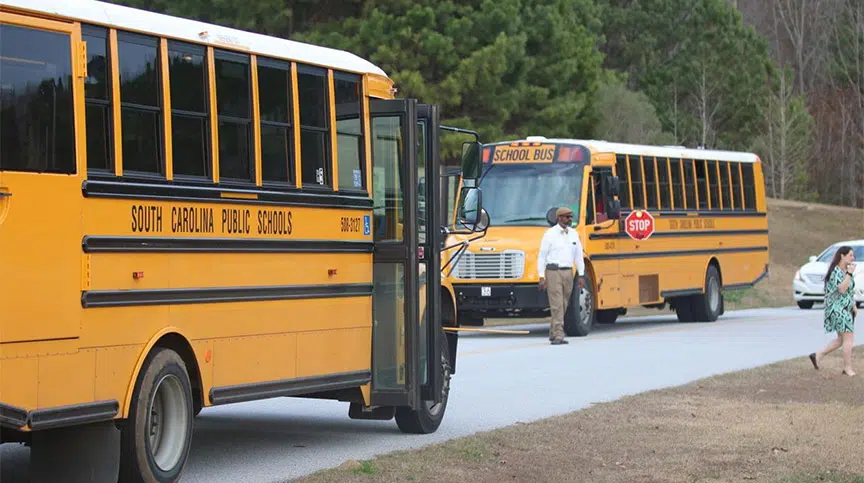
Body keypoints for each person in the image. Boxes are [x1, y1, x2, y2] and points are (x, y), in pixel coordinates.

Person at [538, 206, 585, 345]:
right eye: (567, 217)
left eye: (571, 217)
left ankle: (553, 331)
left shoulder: (573, 234)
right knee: (557, 304)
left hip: (568, 271)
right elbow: (542, 256)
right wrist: (541, 276)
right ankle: (559, 334)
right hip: (553, 271)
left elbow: (579, 256)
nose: (570, 219)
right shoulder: (549, 234)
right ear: (559, 218)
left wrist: (581, 274)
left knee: (563, 303)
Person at [809, 245, 858, 376]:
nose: (853, 258)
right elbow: (842, 289)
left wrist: (853, 305)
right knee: (848, 338)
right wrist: (849, 274)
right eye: (850, 255)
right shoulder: (835, 272)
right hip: (838, 309)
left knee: (841, 339)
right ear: (842, 256)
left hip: (846, 308)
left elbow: (849, 291)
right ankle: (847, 368)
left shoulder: (845, 271)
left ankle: (818, 355)